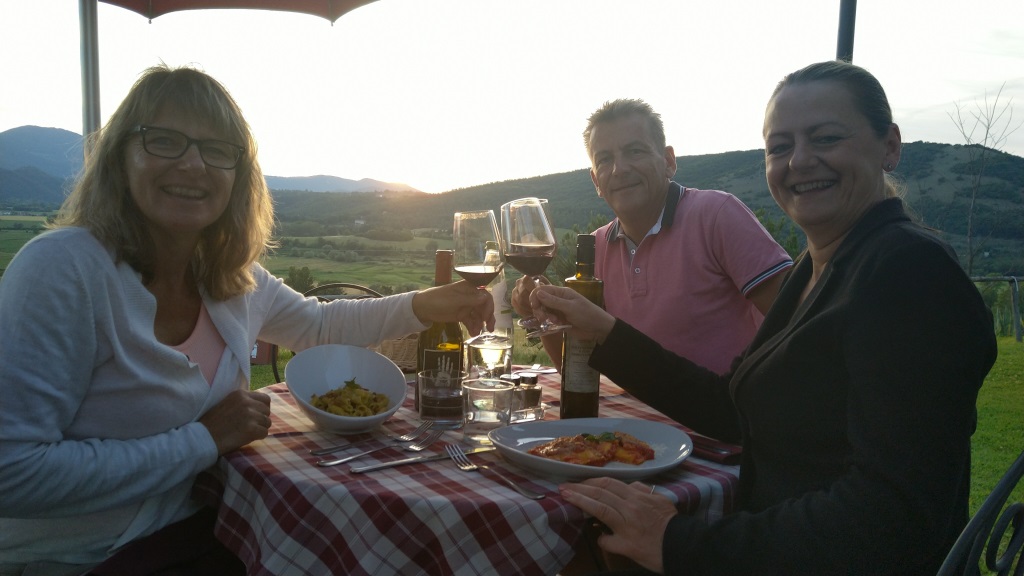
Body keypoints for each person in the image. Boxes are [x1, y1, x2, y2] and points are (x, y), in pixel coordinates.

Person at [0, 65, 493, 576]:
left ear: (239, 177)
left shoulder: (228, 275)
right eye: (165, 141)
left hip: (210, 529)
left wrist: (420, 306)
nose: (194, 165)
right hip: (74, 558)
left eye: (217, 151)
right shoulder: (63, 269)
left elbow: (317, 327)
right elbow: (11, 474)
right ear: (120, 156)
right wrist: (202, 440)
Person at [527, 60, 997, 575]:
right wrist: (606, 333)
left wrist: (680, 542)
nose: (799, 161)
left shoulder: (909, 272)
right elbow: (732, 408)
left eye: (826, 138)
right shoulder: (816, 271)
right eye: (779, 147)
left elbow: (891, 516)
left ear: (889, 146)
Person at [516, 99, 793, 375]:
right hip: (633, 417)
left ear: (668, 161)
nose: (619, 169)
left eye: (634, 151)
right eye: (604, 159)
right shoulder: (597, 246)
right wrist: (540, 315)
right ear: (596, 181)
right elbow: (580, 369)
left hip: (720, 413)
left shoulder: (717, 215)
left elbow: (797, 321)